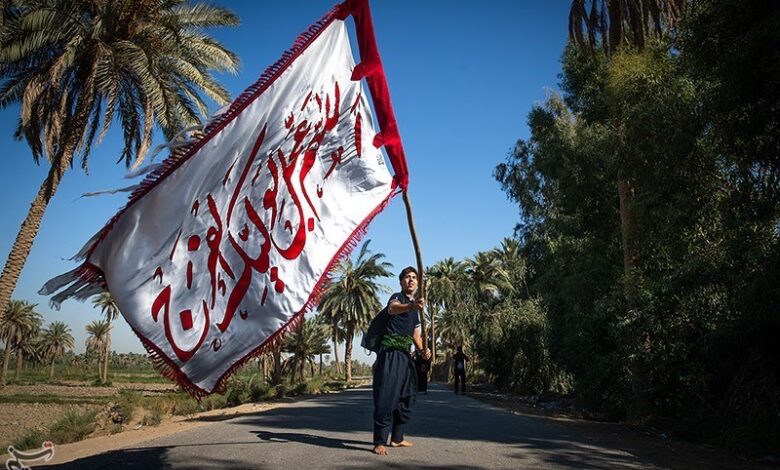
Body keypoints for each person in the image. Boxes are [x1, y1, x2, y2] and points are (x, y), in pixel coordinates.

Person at [372, 266, 431, 456]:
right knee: (387, 396)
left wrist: (423, 350)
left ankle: (397, 438)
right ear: (401, 281)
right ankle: (379, 441)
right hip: (390, 355)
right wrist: (411, 306)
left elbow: (415, 333)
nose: (411, 280)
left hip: (406, 356)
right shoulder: (398, 298)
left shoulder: (415, 306)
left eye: (414, 277)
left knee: (407, 396)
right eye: (407, 277)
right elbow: (392, 309)